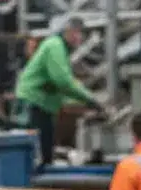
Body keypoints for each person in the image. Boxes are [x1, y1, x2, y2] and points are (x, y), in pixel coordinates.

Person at [14, 15, 101, 167]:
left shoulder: (60, 49)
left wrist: (81, 102)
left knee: (44, 151)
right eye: (75, 32)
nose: (79, 37)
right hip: (34, 104)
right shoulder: (55, 45)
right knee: (37, 154)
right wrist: (90, 99)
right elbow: (63, 81)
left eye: (80, 33)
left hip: (42, 105)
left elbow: (60, 87)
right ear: (65, 32)